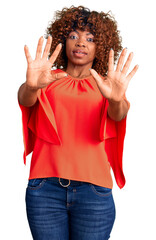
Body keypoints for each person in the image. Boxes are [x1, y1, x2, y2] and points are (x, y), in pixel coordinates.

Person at [18, 6, 138, 240]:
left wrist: (115, 100)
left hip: (93, 193)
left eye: (90, 39)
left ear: (99, 47)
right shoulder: (47, 78)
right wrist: (31, 85)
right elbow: (25, 99)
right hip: (45, 190)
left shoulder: (107, 85)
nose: (81, 43)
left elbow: (119, 114)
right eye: (74, 36)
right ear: (64, 41)